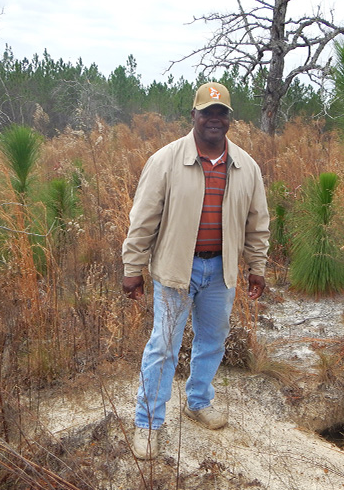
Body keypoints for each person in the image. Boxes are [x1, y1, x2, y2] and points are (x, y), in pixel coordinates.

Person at [121, 81, 270, 460]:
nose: (214, 120)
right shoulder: (165, 160)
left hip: (221, 271)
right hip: (176, 271)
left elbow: (257, 223)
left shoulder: (246, 167)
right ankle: (149, 422)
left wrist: (257, 266)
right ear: (194, 116)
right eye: (207, 112)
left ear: (229, 120)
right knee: (163, 346)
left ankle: (198, 402)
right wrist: (132, 266)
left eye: (221, 114)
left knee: (213, 340)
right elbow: (143, 219)